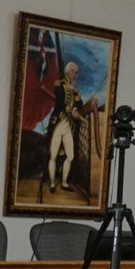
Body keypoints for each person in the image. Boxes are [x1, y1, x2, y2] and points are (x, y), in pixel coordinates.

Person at [44, 61, 99, 194]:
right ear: (67, 71)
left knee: (70, 155)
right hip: (58, 122)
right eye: (74, 71)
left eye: (76, 72)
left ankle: (64, 183)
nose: (75, 74)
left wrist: (76, 91)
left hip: (68, 125)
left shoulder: (74, 87)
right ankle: (52, 183)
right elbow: (60, 103)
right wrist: (71, 111)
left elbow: (79, 105)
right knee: (53, 154)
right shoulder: (59, 84)